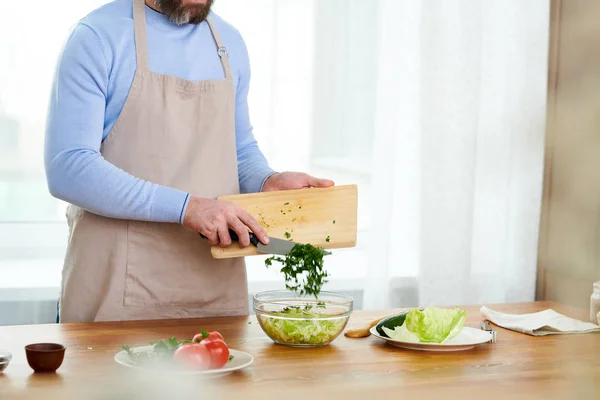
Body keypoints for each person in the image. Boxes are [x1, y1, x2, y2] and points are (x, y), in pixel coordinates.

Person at [44, 0, 333, 323]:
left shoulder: (228, 43)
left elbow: (238, 150)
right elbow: (68, 167)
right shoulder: (97, 37)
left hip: (215, 291)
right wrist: (188, 208)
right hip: (117, 291)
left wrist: (267, 180)